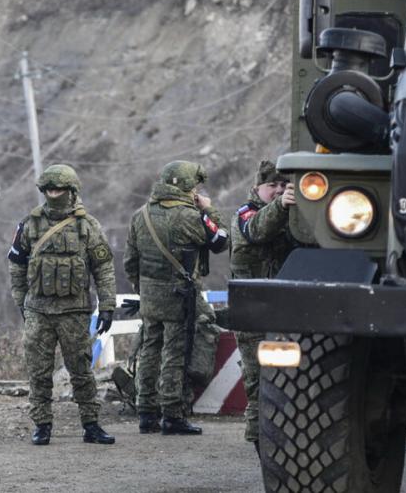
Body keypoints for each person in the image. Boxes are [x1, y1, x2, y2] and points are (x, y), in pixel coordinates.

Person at [7, 164, 117, 446]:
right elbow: (17, 265)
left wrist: (107, 305)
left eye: (59, 189)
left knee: (81, 370)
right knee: (38, 371)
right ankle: (42, 425)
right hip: (39, 311)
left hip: (74, 312)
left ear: (72, 191)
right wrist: (21, 301)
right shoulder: (29, 224)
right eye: (49, 189)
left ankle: (91, 424)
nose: (53, 193)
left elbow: (103, 268)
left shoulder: (87, 226)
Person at [124, 161, 229, 436]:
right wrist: (208, 209)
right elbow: (221, 240)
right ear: (187, 187)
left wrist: (143, 289)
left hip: (149, 295)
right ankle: (172, 414)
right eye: (195, 187)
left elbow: (130, 261)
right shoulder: (189, 217)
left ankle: (146, 412)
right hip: (178, 296)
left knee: (149, 349)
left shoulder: (140, 214)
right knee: (174, 353)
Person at [229, 160, 297, 456]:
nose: (279, 190)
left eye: (284, 185)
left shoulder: (289, 215)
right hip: (253, 313)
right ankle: (263, 450)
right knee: (259, 384)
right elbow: (257, 230)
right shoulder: (247, 213)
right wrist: (281, 206)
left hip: (283, 312)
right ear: (257, 188)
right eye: (272, 186)